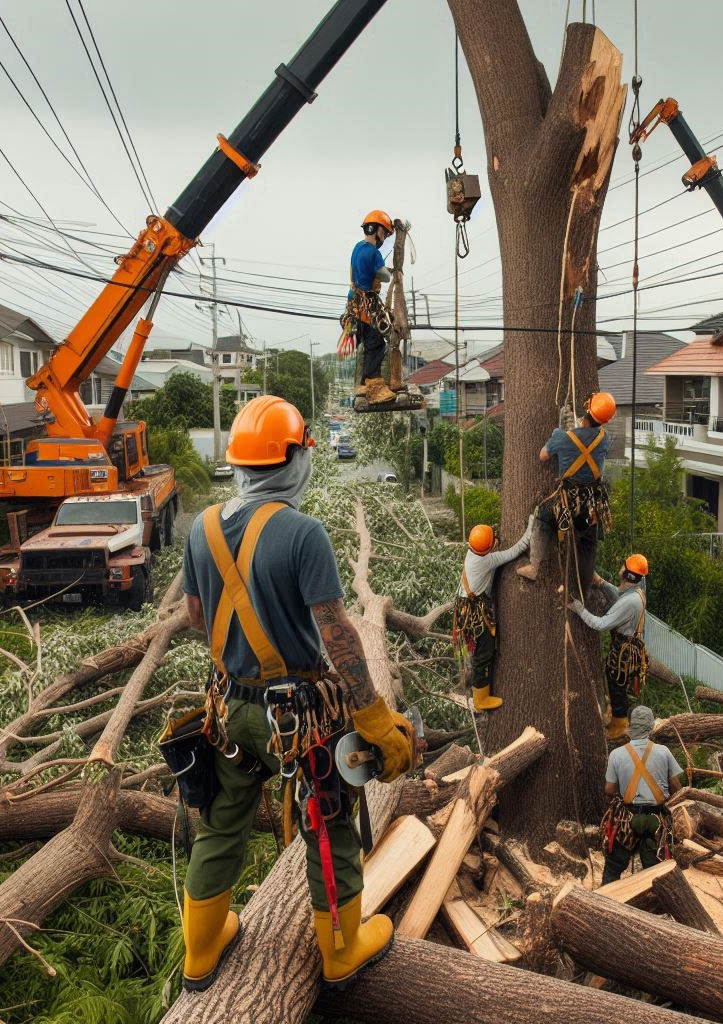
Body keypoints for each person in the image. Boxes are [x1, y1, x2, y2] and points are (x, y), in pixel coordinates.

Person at [178, 395, 414, 992]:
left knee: (221, 822)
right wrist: (374, 716)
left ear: (238, 463)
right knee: (328, 817)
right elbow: (338, 633)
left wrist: (241, 660)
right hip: (300, 716)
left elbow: (194, 614)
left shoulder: (201, 528)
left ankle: (201, 951)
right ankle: (341, 951)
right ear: (293, 460)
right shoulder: (303, 533)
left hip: (229, 709)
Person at [517, 391, 615, 591]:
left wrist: (559, 430)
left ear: (587, 411)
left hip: (567, 506)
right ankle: (587, 580)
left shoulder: (563, 438)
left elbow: (543, 456)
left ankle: (534, 567)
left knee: (542, 517)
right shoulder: (605, 439)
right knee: (589, 541)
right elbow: (587, 437)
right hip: (591, 507)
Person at [453, 518, 533, 712]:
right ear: (488, 547)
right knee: (483, 653)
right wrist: (531, 523)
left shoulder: (472, 554)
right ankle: (481, 699)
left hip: (465, 610)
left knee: (478, 652)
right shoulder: (489, 560)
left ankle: (478, 691)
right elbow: (520, 547)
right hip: (476, 614)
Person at [569, 554, 649, 742]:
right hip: (627, 647)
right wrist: (602, 583)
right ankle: (616, 722)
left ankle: (620, 728)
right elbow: (619, 596)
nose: (621, 568)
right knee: (615, 684)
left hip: (624, 651)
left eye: (624, 567)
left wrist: (579, 609)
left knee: (617, 686)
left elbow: (601, 624)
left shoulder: (631, 602)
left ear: (629, 576)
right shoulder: (635, 592)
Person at [601, 705, 682, 884]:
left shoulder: (617, 754)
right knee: (656, 872)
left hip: (626, 820)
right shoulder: (664, 752)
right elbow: (677, 786)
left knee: (613, 868)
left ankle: (604, 902)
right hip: (656, 820)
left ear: (630, 725)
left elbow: (608, 789)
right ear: (651, 726)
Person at [348, 209, 395, 405]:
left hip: (353, 303)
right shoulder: (373, 253)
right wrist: (388, 271)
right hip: (368, 306)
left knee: (363, 345)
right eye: (384, 232)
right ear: (375, 230)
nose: (384, 236)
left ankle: (360, 384)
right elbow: (385, 276)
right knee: (376, 344)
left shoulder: (357, 248)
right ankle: (374, 388)